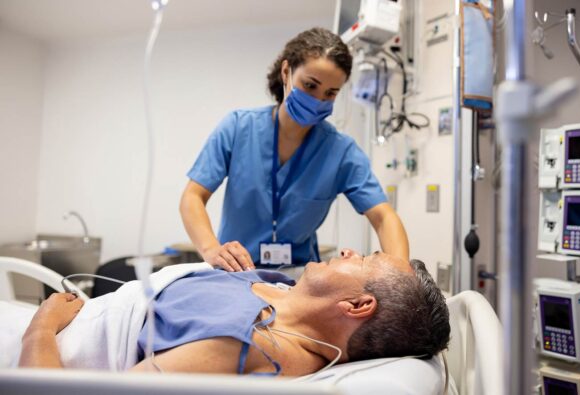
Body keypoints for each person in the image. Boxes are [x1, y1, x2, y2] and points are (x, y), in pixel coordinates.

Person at [180, 27, 409, 272]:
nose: (318, 100)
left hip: (300, 278)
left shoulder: (341, 152)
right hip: (235, 271)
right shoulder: (238, 128)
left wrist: (401, 277)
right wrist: (211, 249)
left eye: (330, 93)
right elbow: (193, 197)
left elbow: (384, 217)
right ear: (286, 72)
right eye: (310, 86)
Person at [18, 250, 450, 376]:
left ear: (357, 306)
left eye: (364, 259)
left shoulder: (249, 343)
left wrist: (41, 325)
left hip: (35, 349)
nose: (347, 251)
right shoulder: (282, 289)